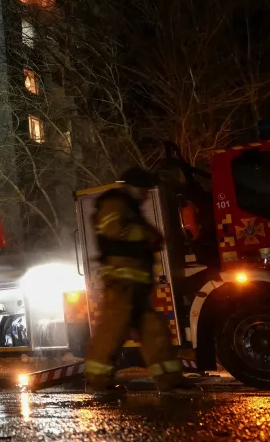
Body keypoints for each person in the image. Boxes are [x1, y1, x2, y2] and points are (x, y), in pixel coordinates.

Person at [84, 167, 188, 393]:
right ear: (133, 187)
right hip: (121, 281)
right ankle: (97, 381)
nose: (146, 195)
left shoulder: (129, 206)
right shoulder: (114, 203)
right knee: (112, 331)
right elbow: (113, 230)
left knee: (154, 331)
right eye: (144, 190)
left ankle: (170, 381)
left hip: (136, 282)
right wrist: (148, 235)